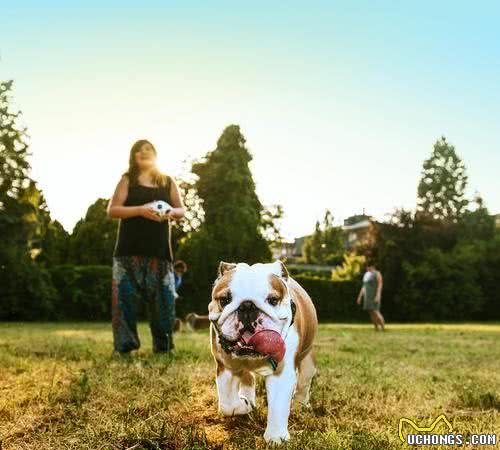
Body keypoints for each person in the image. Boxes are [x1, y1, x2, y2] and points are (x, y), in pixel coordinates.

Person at [107, 139, 185, 354]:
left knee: (164, 303)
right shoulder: (127, 180)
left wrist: (169, 212)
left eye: (148, 149)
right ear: (133, 156)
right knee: (124, 303)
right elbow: (113, 210)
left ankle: (164, 347)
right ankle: (124, 348)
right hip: (127, 253)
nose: (144, 152)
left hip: (160, 254)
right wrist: (140, 210)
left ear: (156, 154)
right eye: (139, 150)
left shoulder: (167, 181)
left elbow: (181, 211)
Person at [356, 260, 385, 331]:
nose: (367, 268)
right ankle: (376, 328)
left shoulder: (377, 273)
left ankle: (383, 328)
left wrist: (378, 295)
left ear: (372, 267)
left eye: (368, 267)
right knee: (370, 312)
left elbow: (380, 284)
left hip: (374, 295)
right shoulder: (366, 275)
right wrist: (360, 297)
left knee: (376, 311)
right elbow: (364, 286)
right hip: (367, 296)